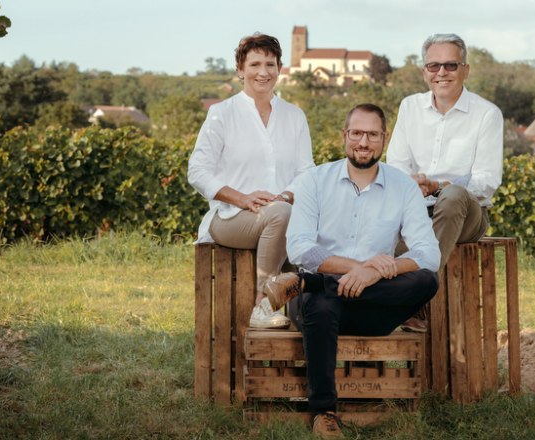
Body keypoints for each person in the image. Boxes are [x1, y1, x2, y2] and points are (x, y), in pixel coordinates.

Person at [266, 104, 440, 438]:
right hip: (324, 310)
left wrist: (374, 275)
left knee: (426, 280)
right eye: (357, 133)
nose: (364, 141)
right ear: (344, 136)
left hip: (374, 309)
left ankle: (307, 282)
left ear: (384, 139)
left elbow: (428, 253)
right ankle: (323, 413)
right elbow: (300, 246)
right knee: (319, 302)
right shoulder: (315, 180)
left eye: (372, 134)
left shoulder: (403, 187)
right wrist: (362, 267)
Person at [188, 33, 314, 329]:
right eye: (255, 64)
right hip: (231, 218)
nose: (263, 72)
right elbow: (198, 170)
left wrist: (283, 196)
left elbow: (307, 171)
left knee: (296, 221)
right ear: (240, 70)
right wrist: (242, 198)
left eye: (270, 64)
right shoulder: (222, 114)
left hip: (283, 212)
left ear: (279, 69)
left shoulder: (294, 116)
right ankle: (263, 305)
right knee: (283, 217)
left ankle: (312, 319)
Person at [387, 33, 504, 332]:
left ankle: (413, 300)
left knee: (452, 196)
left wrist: (438, 186)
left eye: (451, 65)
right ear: (424, 72)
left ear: (466, 69)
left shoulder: (487, 114)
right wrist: (412, 183)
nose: (442, 73)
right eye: (434, 66)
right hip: (417, 213)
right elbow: (396, 167)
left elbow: (487, 181)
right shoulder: (409, 107)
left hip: (466, 214)